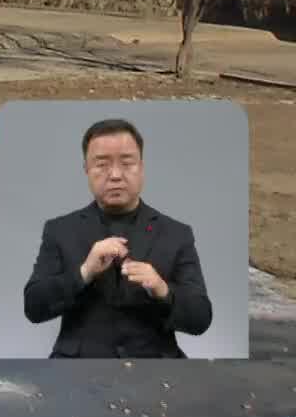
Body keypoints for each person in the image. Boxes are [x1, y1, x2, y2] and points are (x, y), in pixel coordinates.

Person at [22, 118, 212, 358]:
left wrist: (163, 290)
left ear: (141, 167)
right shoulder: (60, 230)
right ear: (86, 170)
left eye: (126, 163)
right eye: (101, 164)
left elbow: (201, 319)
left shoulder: (176, 233)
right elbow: (33, 307)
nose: (115, 175)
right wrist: (84, 273)